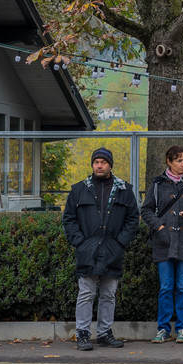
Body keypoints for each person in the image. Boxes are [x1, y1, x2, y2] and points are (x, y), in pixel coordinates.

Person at [62, 147, 140, 351]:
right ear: (92, 165)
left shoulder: (124, 189)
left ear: (110, 165)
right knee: (86, 293)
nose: (99, 165)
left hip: (112, 250)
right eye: (96, 162)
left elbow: (133, 219)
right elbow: (69, 218)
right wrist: (80, 242)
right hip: (87, 251)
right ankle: (83, 335)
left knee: (109, 294)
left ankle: (105, 333)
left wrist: (120, 242)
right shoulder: (79, 189)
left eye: (103, 162)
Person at [141, 145, 183, 344]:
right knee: (165, 287)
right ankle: (162, 329)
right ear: (169, 162)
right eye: (179, 160)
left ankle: (182, 329)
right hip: (163, 242)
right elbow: (146, 211)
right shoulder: (157, 184)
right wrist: (160, 227)